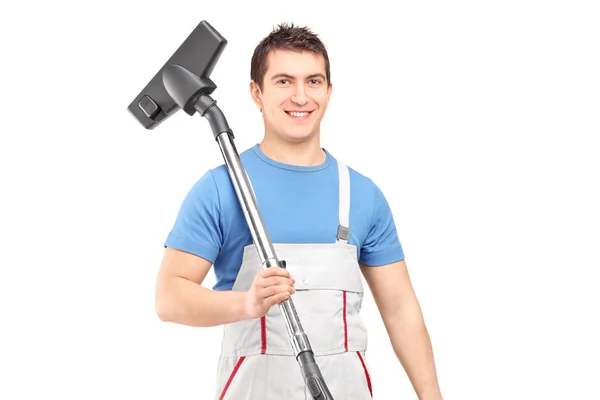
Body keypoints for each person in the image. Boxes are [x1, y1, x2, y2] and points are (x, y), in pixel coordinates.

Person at [155, 22, 443, 400]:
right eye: (284, 81)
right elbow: (170, 298)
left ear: (328, 91)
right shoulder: (221, 189)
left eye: (313, 81)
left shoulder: (361, 194)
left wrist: (432, 396)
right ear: (256, 93)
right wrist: (245, 303)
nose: (301, 96)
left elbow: (401, 310)